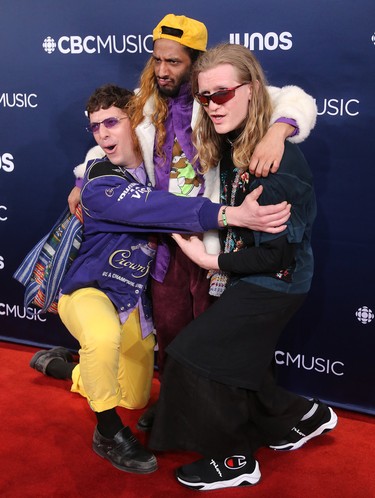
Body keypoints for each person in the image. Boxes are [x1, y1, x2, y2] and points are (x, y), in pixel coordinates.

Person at [67, 13, 317, 431]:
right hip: (166, 244)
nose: (162, 71)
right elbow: (111, 138)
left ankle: (217, 419)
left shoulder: (214, 96)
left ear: (196, 62)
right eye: (157, 60)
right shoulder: (142, 103)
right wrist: (82, 176)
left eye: (174, 62)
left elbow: (295, 99)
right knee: (169, 329)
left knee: (212, 333)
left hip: (217, 242)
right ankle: (173, 408)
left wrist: (279, 131)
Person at [30, 83, 292, 475]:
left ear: (134, 121)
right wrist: (231, 214)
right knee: (101, 341)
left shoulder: (155, 166)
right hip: (89, 291)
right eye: (95, 127)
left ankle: (63, 368)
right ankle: (107, 432)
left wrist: (279, 129)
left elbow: (286, 99)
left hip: (131, 301)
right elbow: (157, 207)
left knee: (134, 396)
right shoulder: (99, 181)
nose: (102, 134)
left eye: (111, 123)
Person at [148, 43, 337, 491]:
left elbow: (277, 255)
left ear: (253, 92)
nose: (212, 106)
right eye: (204, 96)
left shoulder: (273, 161)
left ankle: (234, 459)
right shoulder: (233, 140)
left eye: (223, 94)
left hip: (274, 282)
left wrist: (209, 260)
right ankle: (302, 416)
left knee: (195, 358)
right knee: (239, 362)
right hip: (251, 274)